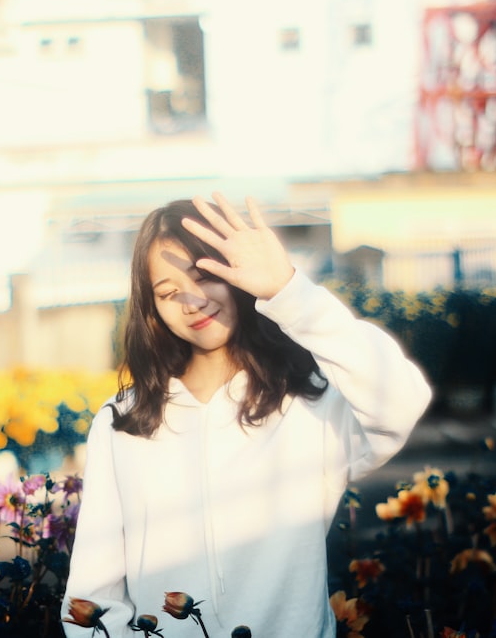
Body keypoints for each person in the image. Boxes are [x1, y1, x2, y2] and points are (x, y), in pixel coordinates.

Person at [62, 193, 432, 637]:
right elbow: (92, 594)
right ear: (151, 310)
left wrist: (288, 290)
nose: (192, 300)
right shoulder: (121, 422)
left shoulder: (310, 402)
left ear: (237, 274)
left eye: (205, 276)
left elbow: (401, 402)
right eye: (167, 292)